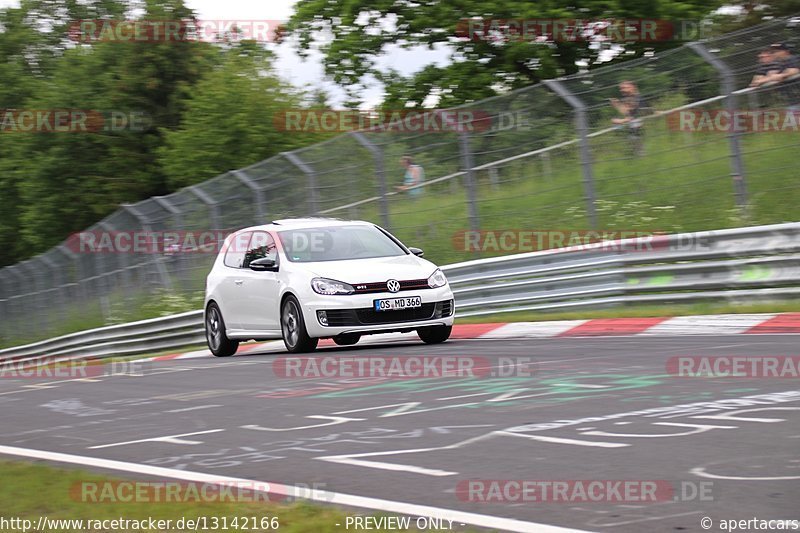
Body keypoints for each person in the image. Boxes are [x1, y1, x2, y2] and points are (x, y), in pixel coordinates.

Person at [610, 81, 645, 155]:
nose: (622, 90)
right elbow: (628, 113)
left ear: (633, 87)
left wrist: (621, 121)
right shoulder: (629, 99)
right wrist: (617, 105)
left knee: (640, 152)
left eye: (624, 88)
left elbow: (636, 116)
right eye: (620, 88)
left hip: (639, 131)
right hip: (633, 132)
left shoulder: (638, 98)